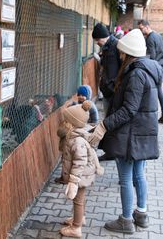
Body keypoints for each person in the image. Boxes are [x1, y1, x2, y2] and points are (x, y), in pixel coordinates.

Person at [88, 29, 161, 234]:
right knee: (139, 175)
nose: (120, 55)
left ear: (128, 53)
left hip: (131, 135)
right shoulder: (149, 69)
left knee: (127, 178)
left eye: (122, 52)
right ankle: (141, 213)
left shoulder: (136, 74)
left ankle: (126, 220)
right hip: (142, 132)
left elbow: (129, 109)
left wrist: (104, 125)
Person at [57, 101, 104, 238]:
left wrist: (73, 181)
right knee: (79, 199)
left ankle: (76, 228)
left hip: (80, 176)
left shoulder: (77, 141)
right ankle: (79, 218)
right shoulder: (73, 135)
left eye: (65, 120)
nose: (63, 122)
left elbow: (79, 162)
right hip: (80, 175)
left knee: (78, 199)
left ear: (72, 122)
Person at [92, 23, 121, 161]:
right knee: (108, 119)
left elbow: (118, 69)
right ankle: (110, 150)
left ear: (103, 37)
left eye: (97, 39)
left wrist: (111, 86)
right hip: (108, 90)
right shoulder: (108, 46)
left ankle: (112, 151)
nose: (97, 42)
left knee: (110, 121)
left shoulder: (115, 46)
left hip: (112, 91)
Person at [138, 19, 163, 124]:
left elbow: (152, 56)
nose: (141, 31)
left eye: (141, 28)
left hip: (154, 67)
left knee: (154, 91)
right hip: (161, 66)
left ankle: (153, 116)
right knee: (159, 91)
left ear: (147, 26)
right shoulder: (159, 36)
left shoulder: (150, 38)